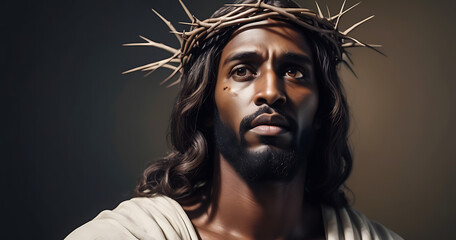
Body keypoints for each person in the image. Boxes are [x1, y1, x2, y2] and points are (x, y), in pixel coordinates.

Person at [66, 0, 403, 239]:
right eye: (243, 70)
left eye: (294, 71)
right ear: (207, 109)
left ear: (321, 108)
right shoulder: (130, 235)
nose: (271, 91)